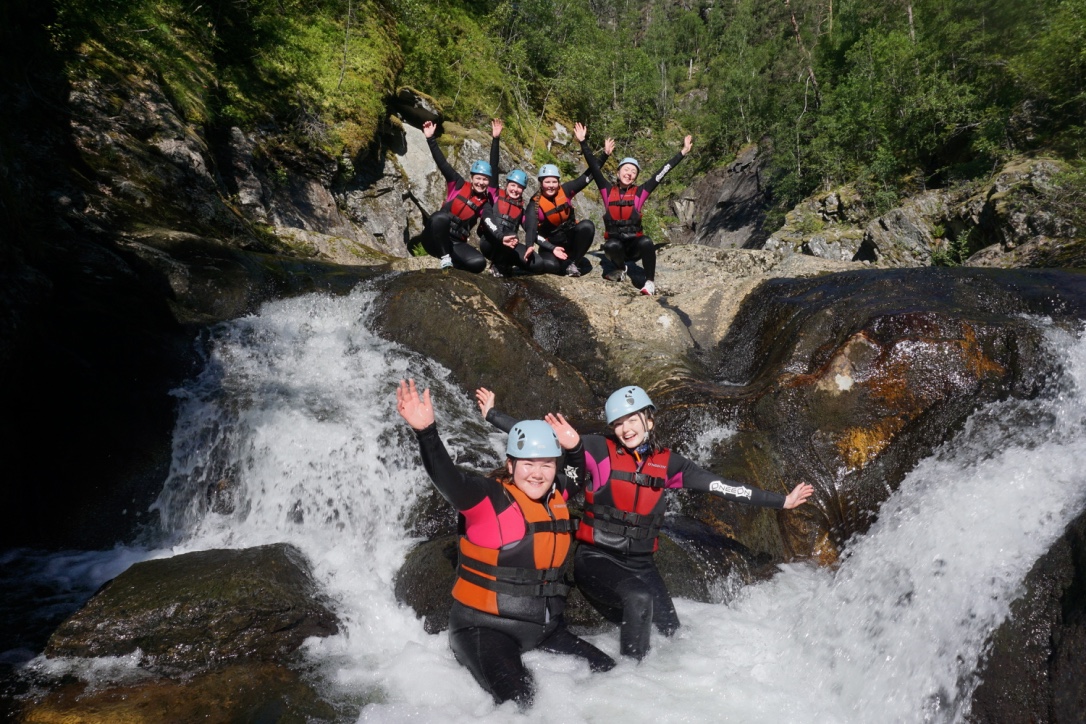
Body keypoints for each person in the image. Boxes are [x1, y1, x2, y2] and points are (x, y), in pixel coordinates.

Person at [476, 384, 814, 661]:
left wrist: (781, 501)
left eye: (632, 419)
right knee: (639, 599)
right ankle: (629, 680)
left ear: (649, 420)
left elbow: (722, 486)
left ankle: (651, 685)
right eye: (618, 423)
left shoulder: (670, 465)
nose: (626, 428)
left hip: (641, 564)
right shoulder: (596, 449)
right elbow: (536, 441)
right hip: (596, 558)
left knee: (671, 633)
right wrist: (493, 414)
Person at [395, 379, 615, 709]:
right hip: (484, 630)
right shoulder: (487, 499)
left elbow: (577, 473)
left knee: (613, 676)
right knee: (523, 707)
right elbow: (448, 479)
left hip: (546, 629)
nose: (537, 474)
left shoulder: (556, 494)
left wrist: (574, 449)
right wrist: (426, 433)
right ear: (511, 465)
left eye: (546, 464)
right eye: (528, 464)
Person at [580, 132, 694, 295]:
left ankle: (649, 283)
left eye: (633, 172)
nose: (629, 173)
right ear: (618, 173)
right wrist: (583, 143)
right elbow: (593, 167)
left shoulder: (641, 192)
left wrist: (683, 152)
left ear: (635, 177)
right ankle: (621, 269)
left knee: (646, 241)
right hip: (616, 249)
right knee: (610, 245)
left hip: (634, 248)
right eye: (626, 169)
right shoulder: (607, 191)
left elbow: (662, 172)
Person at [522, 123, 613, 277]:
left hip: (570, 240)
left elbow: (590, 174)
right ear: (541, 183)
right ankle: (559, 262)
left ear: (558, 182)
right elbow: (530, 229)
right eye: (547, 182)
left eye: (554, 181)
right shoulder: (535, 204)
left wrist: (601, 153)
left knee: (587, 226)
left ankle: (574, 263)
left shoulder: (566, 190)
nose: (551, 185)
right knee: (552, 266)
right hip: (551, 245)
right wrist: (533, 246)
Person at [421, 119, 502, 273]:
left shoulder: (485, 204)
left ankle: (453, 260)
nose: (481, 182)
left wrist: (501, 236)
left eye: (485, 179)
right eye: (478, 178)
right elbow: (442, 163)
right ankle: (445, 258)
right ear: (471, 178)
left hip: (455, 243)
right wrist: (430, 139)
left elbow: (489, 221)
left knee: (478, 263)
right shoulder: (457, 184)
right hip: (434, 238)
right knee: (440, 217)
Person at [478, 164, 534, 277]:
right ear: (507, 184)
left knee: (537, 264)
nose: (515, 190)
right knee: (510, 235)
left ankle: (503, 263)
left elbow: (530, 229)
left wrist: (531, 244)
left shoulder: (521, 211)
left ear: (523, 190)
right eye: (513, 185)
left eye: (519, 187)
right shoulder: (495, 195)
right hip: (488, 243)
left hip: (506, 247)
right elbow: (494, 165)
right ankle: (499, 264)